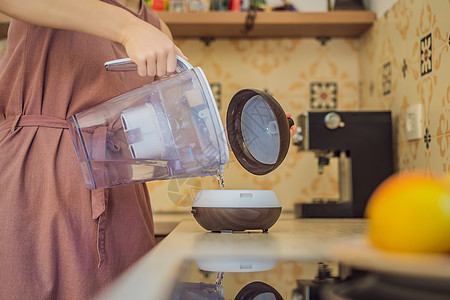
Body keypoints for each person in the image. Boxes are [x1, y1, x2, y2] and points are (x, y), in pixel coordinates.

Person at [0, 0, 185, 298]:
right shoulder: (142, 28)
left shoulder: (159, 29)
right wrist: (129, 29)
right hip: (35, 189)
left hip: (123, 206)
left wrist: (251, 129)